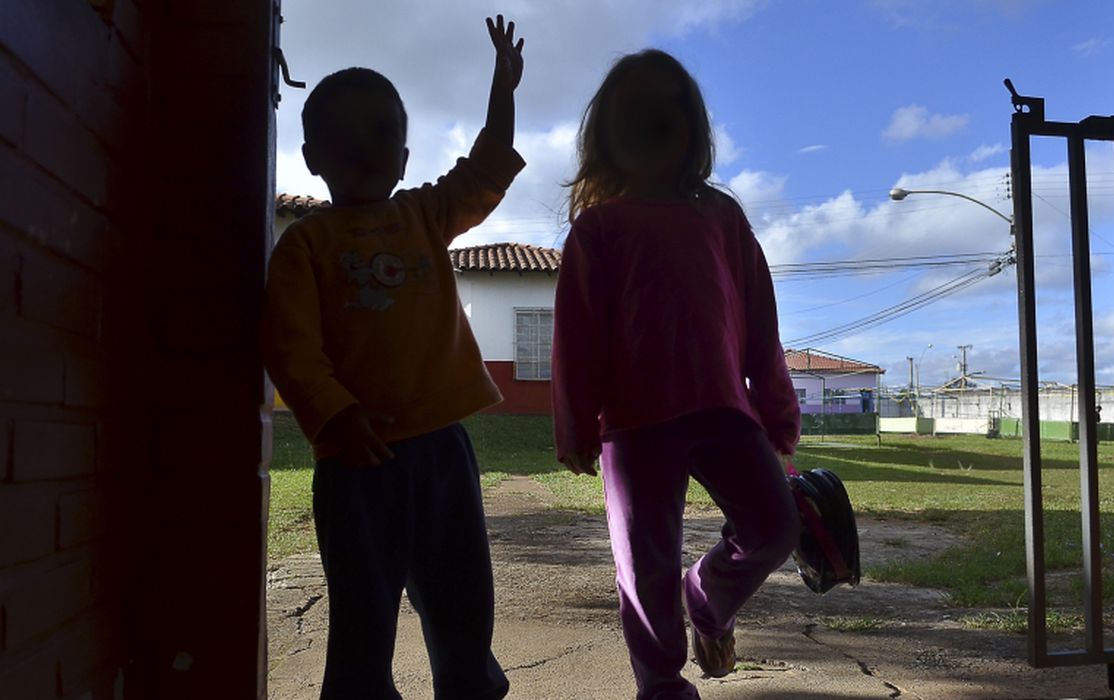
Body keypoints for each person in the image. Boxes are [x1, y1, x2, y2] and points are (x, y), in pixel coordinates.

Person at [260, 16, 525, 700]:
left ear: (406, 157)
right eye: (345, 136)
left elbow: (488, 166)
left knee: (465, 620)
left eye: (384, 132)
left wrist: (504, 85)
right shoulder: (305, 246)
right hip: (356, 465)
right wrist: (334, 417)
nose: (366, 147)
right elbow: (291, 348)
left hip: (443, 455)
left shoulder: (424, 215)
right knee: (361, 633)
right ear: (312, 155)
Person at [551, 49, 802, 699]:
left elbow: (760, 323)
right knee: (645, 568)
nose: (656, 120)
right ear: (605, 134)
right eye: (637, 111)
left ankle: (708, 597)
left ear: (694, 126)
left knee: (774, 528)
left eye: (671, 107)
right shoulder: (598, 230)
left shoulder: (722, 217)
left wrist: (776, 409)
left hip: (724, 411)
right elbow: (577, 338)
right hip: (635, 426)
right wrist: (575, 423)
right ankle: (661, 683)